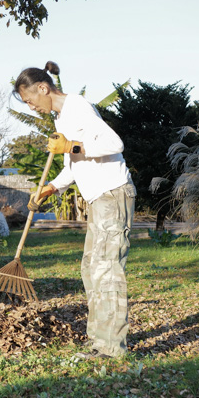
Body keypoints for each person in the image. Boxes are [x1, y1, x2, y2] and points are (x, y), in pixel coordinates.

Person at [14, 62, 136, 359]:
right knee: (91, 268)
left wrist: (71, 146)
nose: (31, 108)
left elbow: (113, 143)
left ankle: (111, 349)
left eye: (30, 101)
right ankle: (98, 341)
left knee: (106, 270)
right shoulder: (61, 119)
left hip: (112, 194)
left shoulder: (78, 106)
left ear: (43, 88)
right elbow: (75, 163)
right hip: (99, 199)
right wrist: (52, 187)